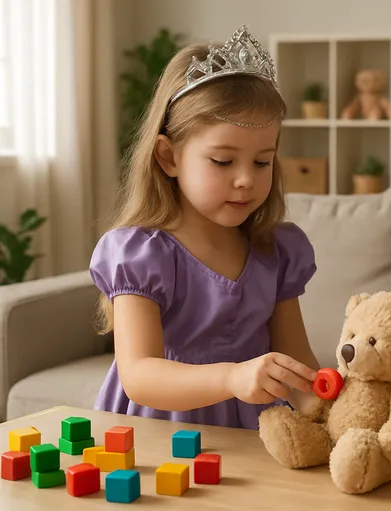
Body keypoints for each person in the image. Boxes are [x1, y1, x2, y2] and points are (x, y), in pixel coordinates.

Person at [89, 26, 321, 429]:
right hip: (163, 435)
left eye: (263, 161)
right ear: (168, 157)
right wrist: (232, 377)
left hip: (256, 438)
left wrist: (335, 406)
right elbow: (139, 375)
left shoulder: (278, 252)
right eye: (223, 161)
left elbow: (298, 368)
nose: (246, 179)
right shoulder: (141, 255)